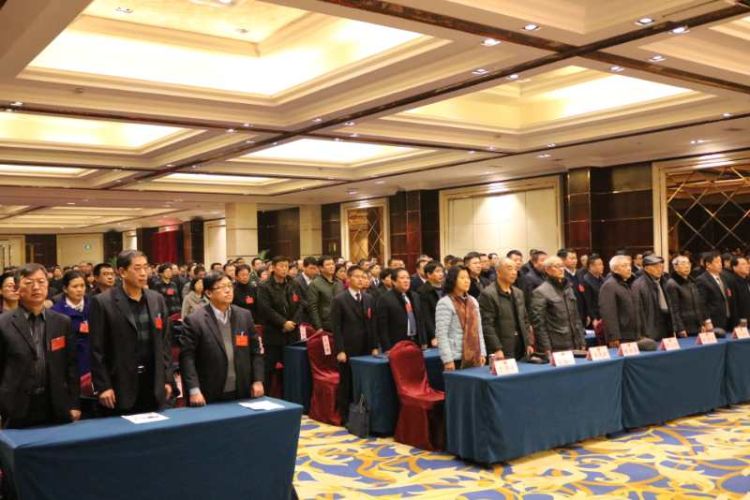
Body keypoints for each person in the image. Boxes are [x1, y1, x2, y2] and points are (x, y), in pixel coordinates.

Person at [90, 250, 174, 414]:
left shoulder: (156, 299)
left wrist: (167, 378)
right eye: (137, 268)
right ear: (122, 272)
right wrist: (103, 386)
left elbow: (164, 344)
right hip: (120, 384)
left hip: (153, 381)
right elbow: (96, 350)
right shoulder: (103, 302)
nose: (143, 273)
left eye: (145, 267)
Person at [0, 263, 79, 428]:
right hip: (15, 405)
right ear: (17, 288)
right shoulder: (4, 324)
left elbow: (71, 366)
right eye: (29, 283)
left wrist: (73, 403)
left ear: (48, 285)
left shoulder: (62, 322)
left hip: (55, 403)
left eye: (41, 282)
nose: (36, 287)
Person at [179, 272, 264, 405]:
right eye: (222, 287)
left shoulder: (244, 315)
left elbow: (256, 351)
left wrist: (258, 380)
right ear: (209, 293)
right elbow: (187, 358)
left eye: (230, 285)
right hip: (208, 391)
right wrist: (194, 390)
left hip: (242, 389)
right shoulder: (195, 320)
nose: (228, 290)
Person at [330, 265, 379, 420]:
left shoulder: (368, 298)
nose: (361, 280)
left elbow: (373, 324)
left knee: (364, 382)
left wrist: (374, 346)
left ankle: (363, 415)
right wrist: (340, 350)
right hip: (348, 347)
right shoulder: (339, 300)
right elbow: (336, 328)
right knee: (347, 382)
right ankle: (345, 416)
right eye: (357, 276)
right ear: (348, 279)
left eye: (363, 277)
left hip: (366, 347)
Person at [257, 256, 306, 388]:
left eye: (286, 266)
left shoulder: (294, 283)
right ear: (273, 268)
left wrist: (293, 322)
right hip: (274, 334)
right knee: (269, 369)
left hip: (292, 334)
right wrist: (283, 323)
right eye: (281, 266)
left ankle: (290, 396)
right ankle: (265, 395)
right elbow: (265, 309)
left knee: (291, 369)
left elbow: (301, 304)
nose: (284, 269)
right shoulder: (264, 286)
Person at [529, 256, 586, 354]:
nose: (561, 269)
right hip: (556, 345)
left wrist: (582, 340)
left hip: (575, 342)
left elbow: (577, 318)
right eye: (557, 266)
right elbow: (539, 325)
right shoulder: (540, 292)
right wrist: (546, 347)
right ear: (547, 270)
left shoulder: (568, 288)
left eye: (562, 266)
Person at [479, 257, 533, 360]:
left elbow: (525, 320)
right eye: (509, 269)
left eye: (515, 269)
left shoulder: (518, 293)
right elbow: (487, 325)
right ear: (498, 272)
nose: (514, 272)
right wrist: (496, 348)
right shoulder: (488, 294)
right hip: (502, 347)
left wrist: (528, 343)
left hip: (521, 346)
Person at [435, 265, 487, 370]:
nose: (466, 281)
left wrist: (482, 352)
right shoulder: (445, 303)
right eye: (462, 278)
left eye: (468, 278)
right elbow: (441, 334)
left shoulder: (473, 301)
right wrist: (447, 360)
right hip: (455, 357)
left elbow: (479, 330)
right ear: (453, 280)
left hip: (475, 354)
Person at [599, 255, 656, 349]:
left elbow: (639, 309)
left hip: (636, 333)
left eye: (629, 265)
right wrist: (613, 337)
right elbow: (608, 314)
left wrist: (644, 331)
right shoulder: (609, 286)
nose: (628, 268)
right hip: (622, 336)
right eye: (624, 266)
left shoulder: (632, 283)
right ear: (614, 269)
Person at [51, 270, 92, 395]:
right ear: (65, 289)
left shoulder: (95, 305)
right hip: (70, 362)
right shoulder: (56, 311)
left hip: (93, 360)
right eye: (75, 286)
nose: (79, 290)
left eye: (82, 286)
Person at [376, 268, 424, 351]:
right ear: (394, 281)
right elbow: (382, 327)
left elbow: (421, 320)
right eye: (402, 278)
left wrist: (423, 340)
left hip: (416, 341)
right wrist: (387, 347)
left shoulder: (415, 296)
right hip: (396, 343)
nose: (406, 281)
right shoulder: (385, 299)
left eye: (408, 278)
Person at [632, 255, 673, 341]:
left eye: (661, 266)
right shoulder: (639, 285)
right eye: (655, 267)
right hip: (650, 328)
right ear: (646, 269)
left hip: (666, 324)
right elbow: (637, 311)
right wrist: (640, 333)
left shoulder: (664, 281)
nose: (659, 269)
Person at [665, 255, 707, 337]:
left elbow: (699, 304)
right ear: (675, 267)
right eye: (683, 263)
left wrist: (702, 323)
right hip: (685, 328)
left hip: (697, 326)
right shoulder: (672, 284)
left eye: (688, 263)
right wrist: (680, 328)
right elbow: (674, 309)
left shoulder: (692, 281)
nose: (687, 266)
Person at [696, 251, 733, 335]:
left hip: (727, 318)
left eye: (720, 262)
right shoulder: (702, 279)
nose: (720, 264)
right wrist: (707, 321)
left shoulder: (723, 277)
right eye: (717, 262)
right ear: (708, 264)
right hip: (713, 320)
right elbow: (702, 303)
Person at [307, 256, 343, 332]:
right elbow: (313, 308)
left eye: (332, 264)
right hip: (325, 324)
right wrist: (318, 327)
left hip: (340, 323)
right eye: (328, 265)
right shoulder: (315, 284)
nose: (332, 266)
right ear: (321, 268)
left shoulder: (339, 282)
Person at [416, 260, 444, 348]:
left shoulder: (446, 289)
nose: (441, 274)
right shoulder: (423, 291)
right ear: (429, 274)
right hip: (433, 333)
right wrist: (433, 335)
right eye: (437, 271)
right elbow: (426, 316)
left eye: (442, 271)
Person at [582, 254, 605, 332]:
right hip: (594, 318)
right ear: (591, 266)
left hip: (603, 315)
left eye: (602, 264)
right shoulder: (586, 280)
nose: (602, 266)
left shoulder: (602, 279)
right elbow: (587, 302)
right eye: (599, 264)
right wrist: (594, 318)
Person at [727, 256, 750, 327]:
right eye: (743, 264)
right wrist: (737, 322)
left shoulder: (747, 280)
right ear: (735, 268)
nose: (747, 266)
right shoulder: (731, 282)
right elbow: (733, 305)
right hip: (741, 322)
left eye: (747, 264)